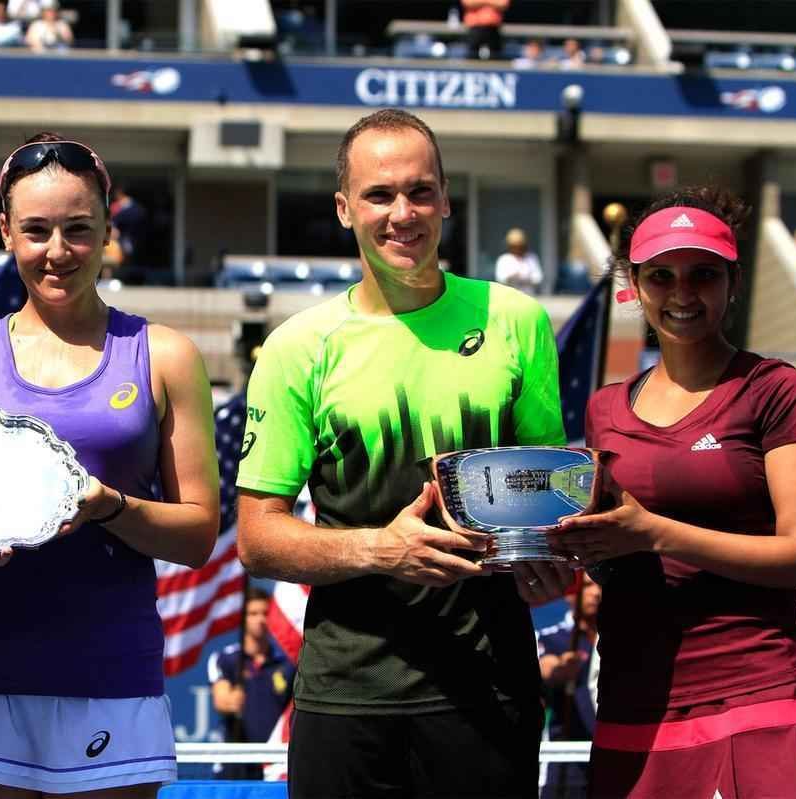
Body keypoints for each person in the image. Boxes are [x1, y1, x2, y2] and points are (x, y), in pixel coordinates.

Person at [235, 108, 572, 798]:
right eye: (379, 195)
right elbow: (256, 537)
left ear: (447, 198)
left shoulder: (517, 320)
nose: (403, 212)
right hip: (347, 691)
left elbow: (542, 495)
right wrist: (380, 550)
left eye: (420, 191)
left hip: (491, 684)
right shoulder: (299, 346)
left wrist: (549, 555)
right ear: (343, 208)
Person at [0, 133, 220, 796]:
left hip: (111, 676)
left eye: (79, 229)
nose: (57, 252)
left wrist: (107, 506)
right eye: (37, 230)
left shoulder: (165, 355)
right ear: (6, 232)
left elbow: (199, 535)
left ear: (108, 230)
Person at [553, 185, 796, 797]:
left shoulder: (777, 390)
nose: (683, 294)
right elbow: (620, 559)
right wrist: (569, 556)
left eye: (703, 275)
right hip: (633, 700)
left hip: (759, 693)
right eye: (661, 276)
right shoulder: (605, 409)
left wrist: (657, 532)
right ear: (633, 287)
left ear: (732, 282)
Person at [207, 586, 296, 780]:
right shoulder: (226, 659)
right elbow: (221, 702)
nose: (260, 619)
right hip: (234, 761)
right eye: (253, 613)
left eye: (265, 613)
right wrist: (233, 701)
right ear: (242, 618)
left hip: (275, 762)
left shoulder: (288, 663)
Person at [537, 573, 600, 798]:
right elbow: (544, 666)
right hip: (566, 759)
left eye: (598, 586)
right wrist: (557, 670)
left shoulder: (617, 637)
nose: (595, 593)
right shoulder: (554, 636)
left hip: (612, 750)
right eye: (586, 586)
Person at [496, 227, 544, 295]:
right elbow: (500, 279)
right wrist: (512, 277)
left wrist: (526, 278)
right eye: (515, 247)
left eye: (520, 246)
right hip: (509, 296)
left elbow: (538, 278)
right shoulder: (504, 259)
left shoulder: (531, 257)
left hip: (528, 295)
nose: (518, 249)